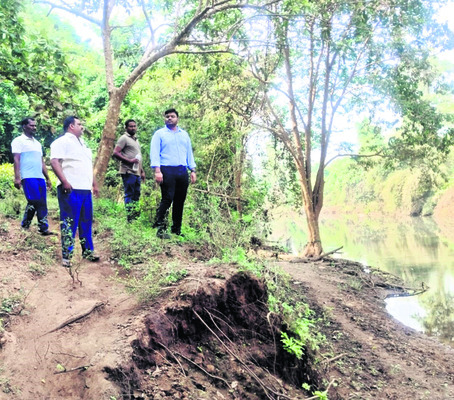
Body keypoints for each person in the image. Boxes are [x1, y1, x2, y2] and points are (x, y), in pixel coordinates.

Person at [50, 116, 100, 267]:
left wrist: (94, 184)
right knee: (69, 221)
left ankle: (88, 251)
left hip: (85, 189)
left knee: (86, 221)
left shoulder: (83, 145)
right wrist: (65, 181)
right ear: (71, 126)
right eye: (79, 124)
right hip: (71, 188)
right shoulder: (61, 142)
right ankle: (67, 255)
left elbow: (87, 166)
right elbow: (54, 161)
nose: (82, 127)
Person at [150, 108, 196, 238]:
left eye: (172, 116)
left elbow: (189, 153)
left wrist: (192, 170)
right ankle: (161, 228)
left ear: (177, 119)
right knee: (167, 198)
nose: (169, 118)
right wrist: (157, 171)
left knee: (179, 200)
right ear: (164, 119)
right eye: (167, 116)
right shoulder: (159, 134)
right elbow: (155, 153)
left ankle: (176, 229)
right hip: (166, 169)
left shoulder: (184, 135)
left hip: (182, 170)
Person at [11, 117, 53, 235]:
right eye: (31, 125)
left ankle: (43, 228)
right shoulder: (18, 141)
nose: (34, 127)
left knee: (42, 202)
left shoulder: (37, 143)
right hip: (28, 176)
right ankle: (25, 224)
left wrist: (48, 178)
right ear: (24, 126)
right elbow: (16, 159)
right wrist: (17, 177)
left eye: (35, 125)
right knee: (34, 200)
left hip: (39, 177)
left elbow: (42, 162)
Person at [113, 119, 146, 222]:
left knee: (137, 194)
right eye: (131, 126)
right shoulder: (124, 138)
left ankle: (135, 217)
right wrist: (129, 161)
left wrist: (142, 171)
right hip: (128, 171)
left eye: (134, 126)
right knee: (129, 194)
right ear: (126, 127)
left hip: (137, 172)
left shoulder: (136, 140)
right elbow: (116, 153)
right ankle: (130, 218)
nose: (133, 128)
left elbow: (138, 157)